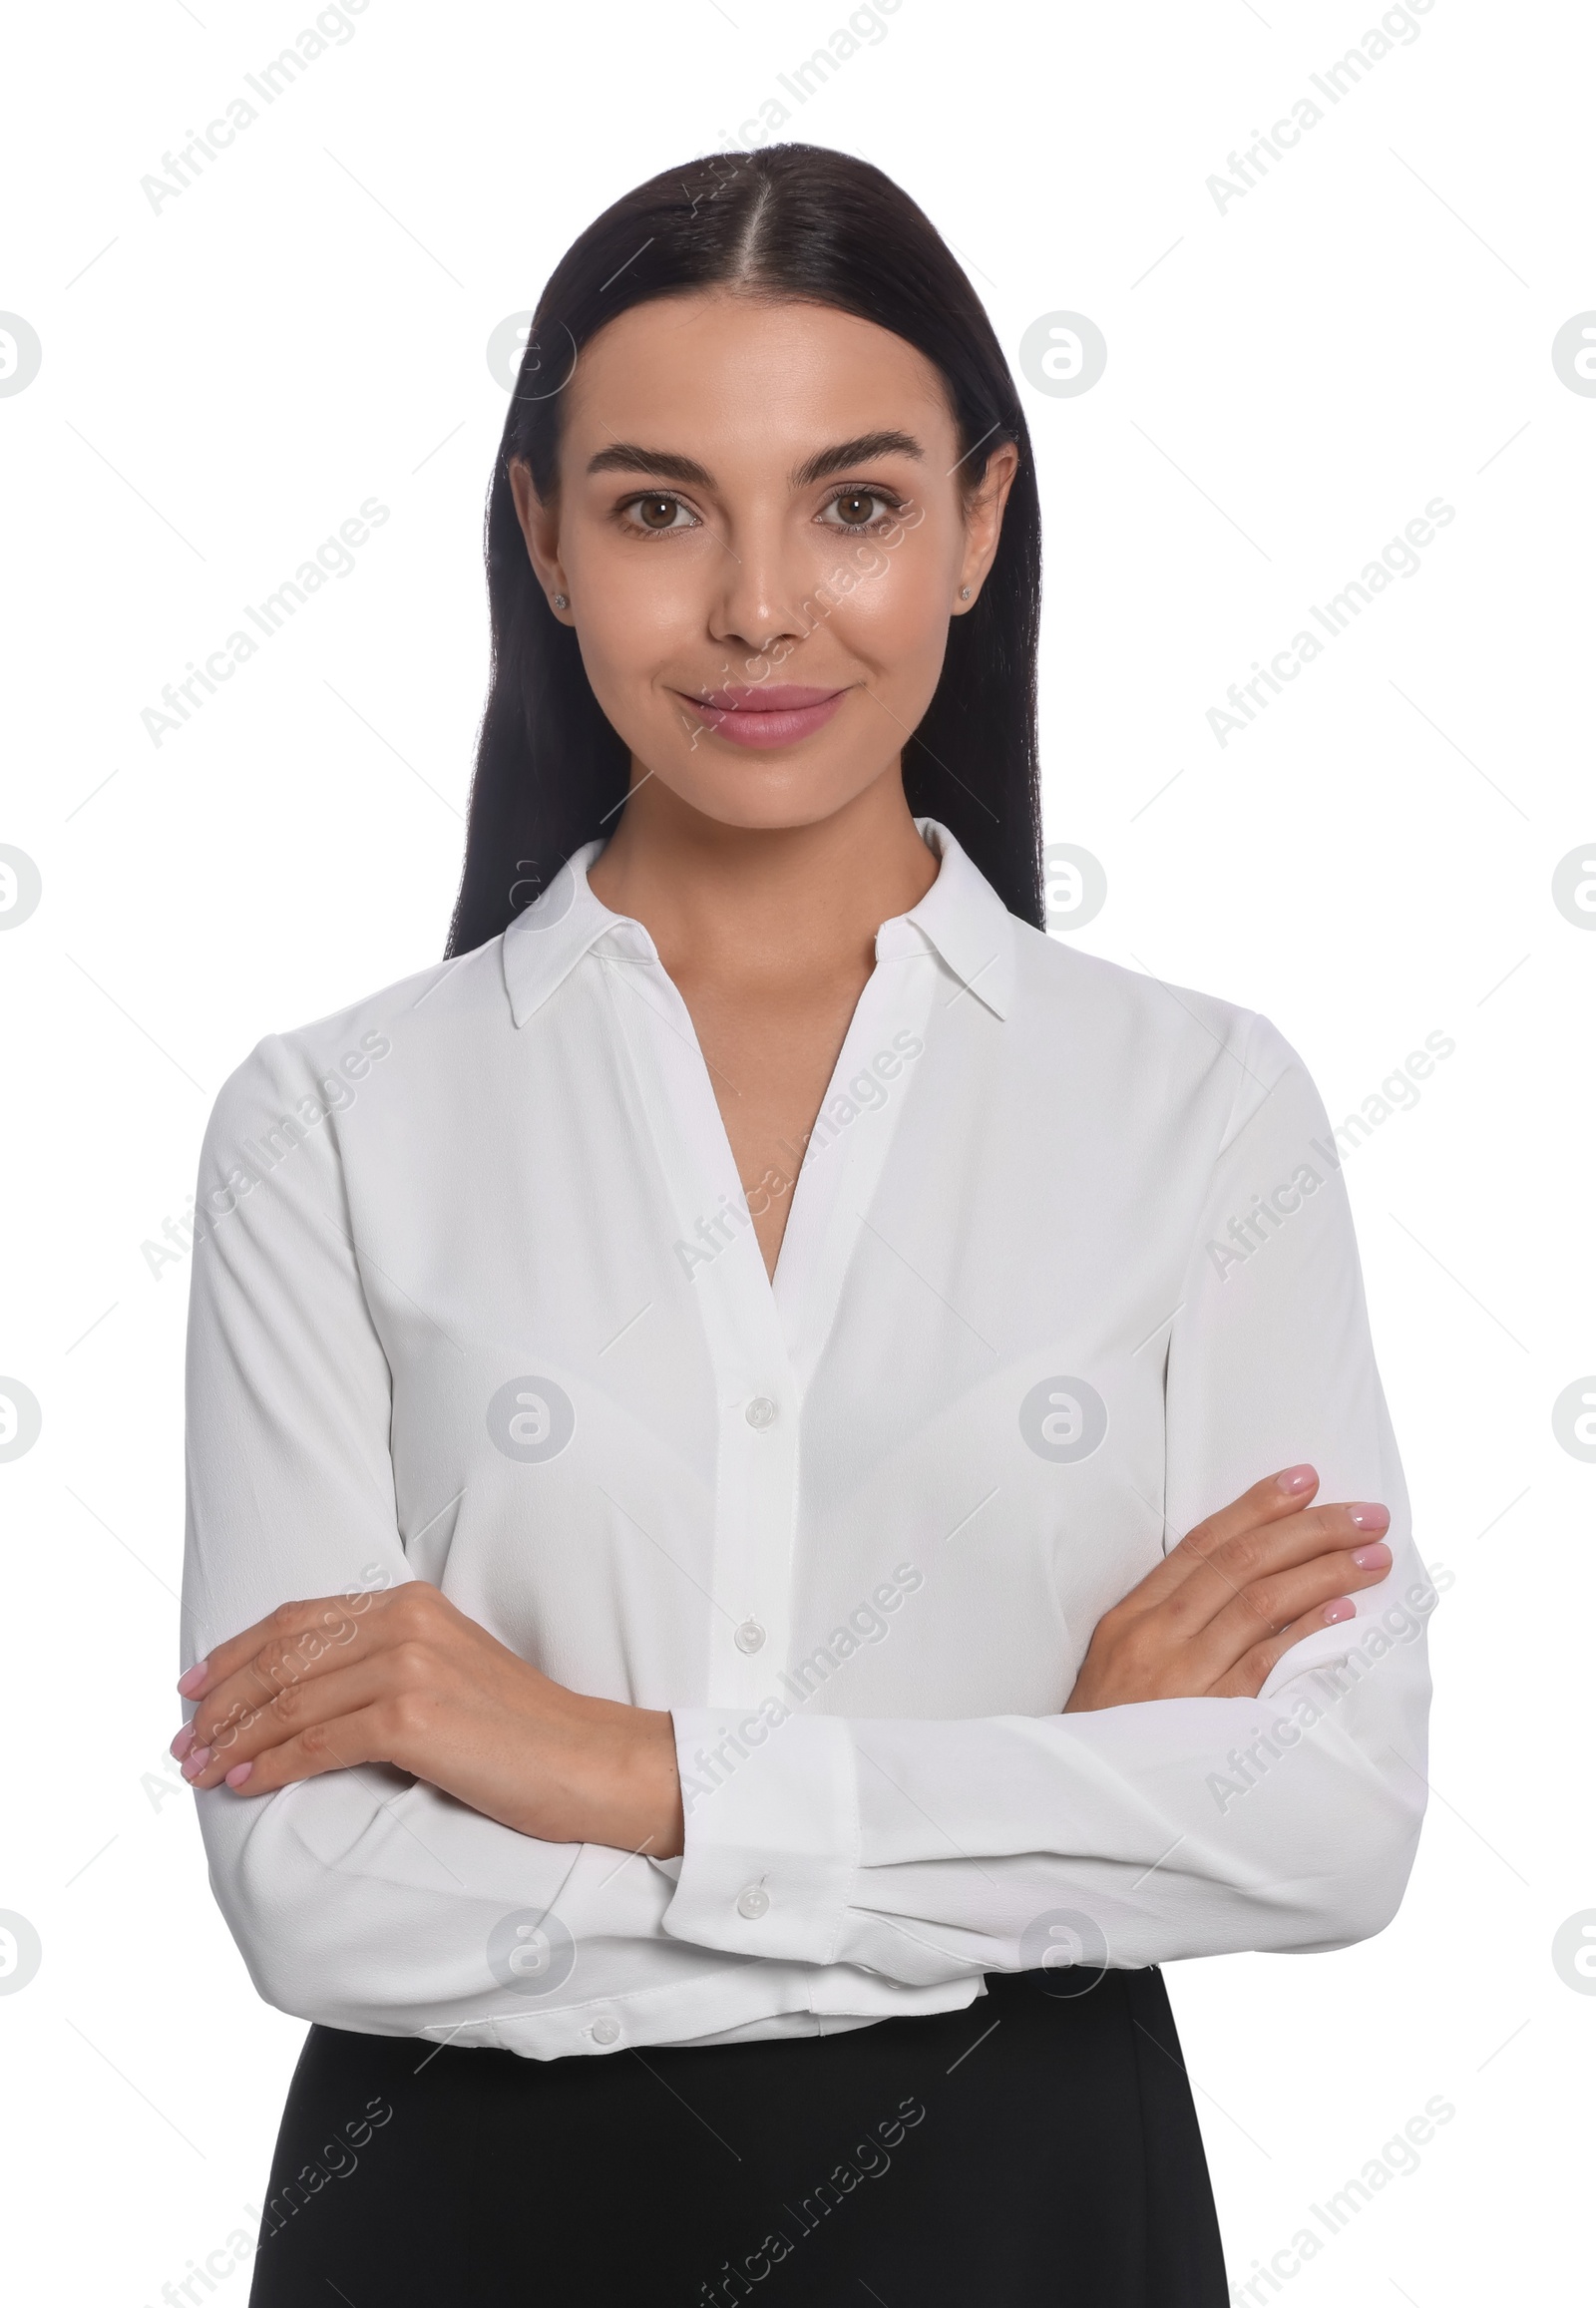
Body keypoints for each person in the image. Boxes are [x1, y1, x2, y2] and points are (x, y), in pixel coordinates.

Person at [175, 143, 1433, 2307]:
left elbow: (1323, 1818)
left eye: (850, 502)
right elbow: (321, 1894)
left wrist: (603, 1768)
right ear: (545, 541)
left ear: (974, 525)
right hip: (457, 2227)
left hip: (1033, 2226)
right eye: (661, 506)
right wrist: (1061, 1797)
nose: (759, 602)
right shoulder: (330, 1120)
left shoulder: (1197, 1108)